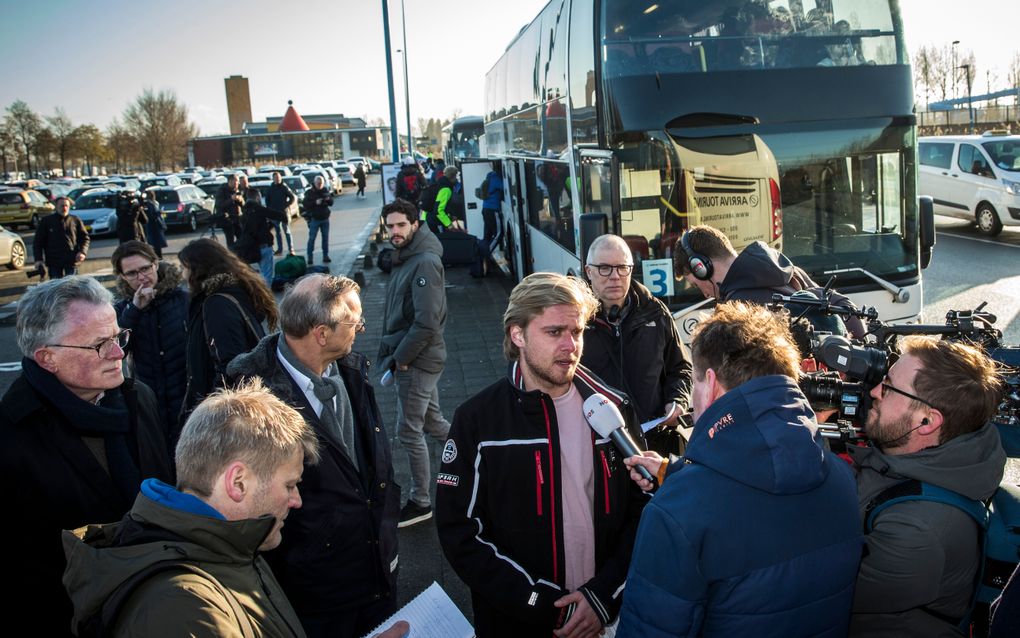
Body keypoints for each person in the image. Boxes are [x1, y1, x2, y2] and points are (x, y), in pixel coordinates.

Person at [62, 381, 410, 638]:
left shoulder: (233, 542)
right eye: (290, 485)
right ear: (238, 482)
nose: (297, 501)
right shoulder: (185, 609)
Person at [617, 302, 862, 637]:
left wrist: (682, 490)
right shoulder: (842, 478)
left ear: (712, 383)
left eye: (696, 384)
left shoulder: (676, 513)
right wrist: (676, 475)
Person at [436, 272, 647, 638]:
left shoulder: (613, 407)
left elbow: (643, 512)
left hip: (607, 616)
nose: (570, 345)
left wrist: (602, 596)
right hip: (518, 622)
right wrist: (541, 603)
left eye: (577, 332)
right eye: (554, 332)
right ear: (518, 334)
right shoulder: (478, 420)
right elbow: (460, 532)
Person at [227, 274, 400, 638]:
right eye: (355, 323)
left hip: (374, 571)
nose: (362, 331)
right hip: (317, 593)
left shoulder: (352, 370)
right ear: (321, 334)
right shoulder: (254, 400)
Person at [0, 276, 173, 637]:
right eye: (100, 345)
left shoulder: (139, 398)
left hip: (156, 603)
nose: (118, 353)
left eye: (118, 337)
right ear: (48, 358)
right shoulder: (11, 435)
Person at [848, 336, 1006, 637]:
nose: (874, 391)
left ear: (926, 422)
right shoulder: (920, 453)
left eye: (889, 387)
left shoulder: (919, 530)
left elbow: (820, 587)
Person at [581, 234, 692, 454]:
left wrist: (677, 400)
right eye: (604, 268)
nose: (615, 276)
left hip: (654, 445)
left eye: (623, 268)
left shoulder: (656, 313)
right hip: (597, 448)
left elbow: (680, 369)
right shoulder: (574, 322)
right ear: (588, 271)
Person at [378, 198, 450, 527]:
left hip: (416, 360)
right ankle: (474, 460)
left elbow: (426, 323)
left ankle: (421, 501)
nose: (394, 231)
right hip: (415, 356)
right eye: (390, 226)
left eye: (401, 225)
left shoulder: (424, 262)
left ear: (414, 225)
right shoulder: (407, 256)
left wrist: (401, 359)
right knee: (433, 423)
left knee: (408, 431)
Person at [674, 224, 866, 337]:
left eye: (696, 284)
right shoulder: (789, 271)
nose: (705, 294)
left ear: (702, 267)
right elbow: (845, 306)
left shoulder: (735, 309)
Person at [178, 238, 278, 435]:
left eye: (184, 267)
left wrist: (214, 412)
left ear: (197, 269)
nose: (182, 274)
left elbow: (230, 364)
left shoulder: (217, 304)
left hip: (223, 415)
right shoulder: (232, 293)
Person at [112, 240, 189, 434]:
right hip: (149, 400)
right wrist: (135, 310)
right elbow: (116, 351)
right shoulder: (122, 309)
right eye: (132, 273)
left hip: (186, 396)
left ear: (155, 264)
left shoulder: (183, 299)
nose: (141, 277)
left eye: (145, 268)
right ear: (122, 276)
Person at [240, 186, 289, 285]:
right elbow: (276, 215)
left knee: (262, 274)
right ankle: (266, 298)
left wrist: (268, 225)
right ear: (257, 197)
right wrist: (285, 217)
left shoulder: (244, 212)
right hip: (264, 246)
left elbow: (253, 228)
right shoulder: (258, 209)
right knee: (267, 275)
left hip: (252, 247)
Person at [33, 196, 89, 278]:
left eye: (66, 206)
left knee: (72, 286)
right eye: (62, 206)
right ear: (56, 206)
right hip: (53, 261)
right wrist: (38, 260)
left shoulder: (75, 220)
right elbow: (38, 242)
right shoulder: (46, 221)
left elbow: (85, 238)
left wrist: (82, 252)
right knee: (56, 287)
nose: (64, 208)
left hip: (71, 260)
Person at [302, 175, 333, 265]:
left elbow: (331, 203)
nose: (320, 185)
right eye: (318, 183)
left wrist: (328, 200)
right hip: (314, 219)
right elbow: (305, 204)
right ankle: (310, 257)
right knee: (312, 239)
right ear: (314, 183)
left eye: (321, 183)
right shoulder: (309, 192)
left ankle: (325, 255)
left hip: (325, 218)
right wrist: (315, 202)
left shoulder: (325, 190)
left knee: (325, 238)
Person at [422, 165, 459, 234]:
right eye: (457, 176)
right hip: (434, 221)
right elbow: (439, 210)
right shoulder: (446, 189)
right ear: (453, 176)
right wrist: (449, 225)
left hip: (426, 219)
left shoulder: (438, 184)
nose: (457, 179)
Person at [266, 171, 296, 255]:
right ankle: (280, 249)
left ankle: (291, 249)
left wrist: (286, 205)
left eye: (279, 177)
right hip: (275, 214)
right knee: (278, 232)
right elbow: (267, 200)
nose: (278, 179)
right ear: (273, 179)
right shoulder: (270, 189)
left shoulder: (284, 187)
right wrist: (270, 209)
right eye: (276, 178)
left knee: (287, 231)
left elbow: (292, 197)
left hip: (283, 213)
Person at [215, 173, 245, 250]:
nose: (237, 183)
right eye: (236, 182)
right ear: (230, 181)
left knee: (242, 239)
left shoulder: (237, 189)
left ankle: (242, 256)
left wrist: (240, 200)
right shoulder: (222, 190)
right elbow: (219, 205)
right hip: (227, 220)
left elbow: (243, 205)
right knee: (230, 241)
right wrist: (231, 199)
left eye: (238, 182)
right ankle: (232, 256)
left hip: (238, 218)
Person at [479, 167, 504, 247]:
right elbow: (505, 187)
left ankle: (482, 253)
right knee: (499, 234)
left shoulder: (488, 178)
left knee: (487, 235)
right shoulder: (496, 178)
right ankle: (487, 253)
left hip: (485, 209)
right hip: (493, 211)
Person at [141, 190, 167, 258]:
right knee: (156, 243)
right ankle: (158, 257)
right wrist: (159, 212)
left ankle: (157, 256)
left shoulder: (146, 204)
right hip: (154, 225)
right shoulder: (150, 204)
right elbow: (152, 215)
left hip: (150, 225)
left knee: (153, 242)